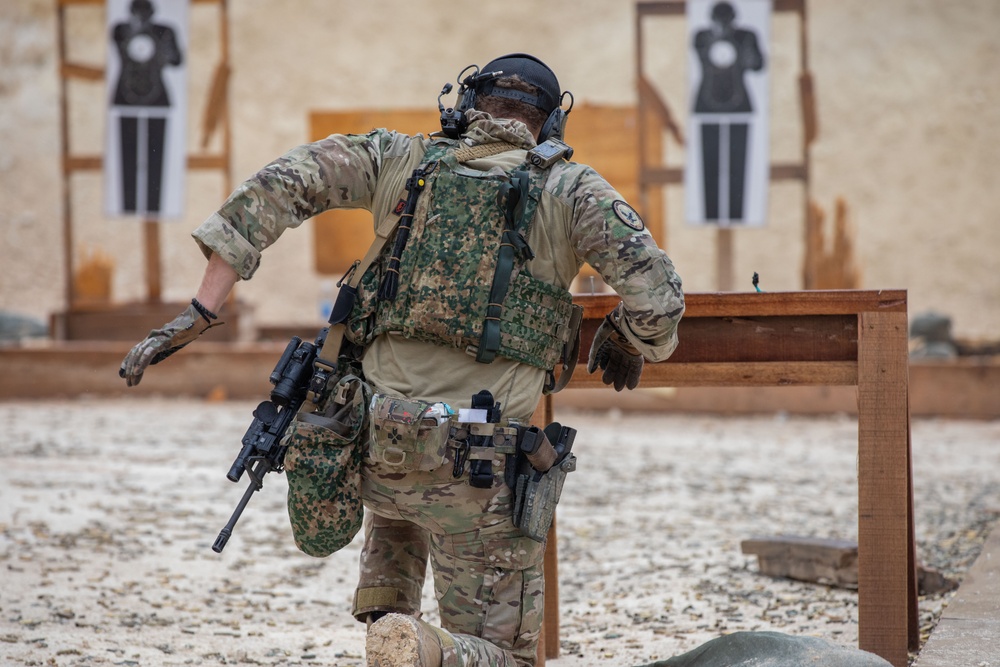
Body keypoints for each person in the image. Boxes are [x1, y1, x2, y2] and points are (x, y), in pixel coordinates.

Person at [120, 53, 685, 667]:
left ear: (464, 110)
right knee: (509, 659)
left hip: (374, 459)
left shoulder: (399, 159)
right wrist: (631, 338)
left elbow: (281, 182)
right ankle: (420, 650)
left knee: (399, 455)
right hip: (479, 477)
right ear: (550, 129)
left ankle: (389, 609)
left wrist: (202, 310)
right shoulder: (574, 192)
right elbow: (659, 301)